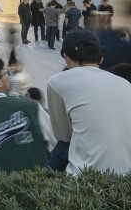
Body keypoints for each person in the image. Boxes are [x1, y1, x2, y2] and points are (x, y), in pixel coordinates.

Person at [46, 29, 131, 175]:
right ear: (101, 58)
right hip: (125, 178)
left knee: (61, 149)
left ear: (66, 57)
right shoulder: (125, 84)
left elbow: (64, 135)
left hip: (86, 181)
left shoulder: (57, 81)